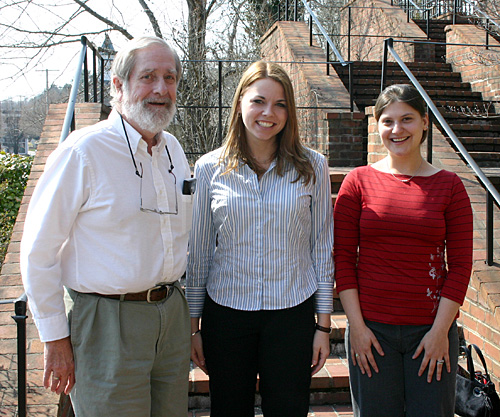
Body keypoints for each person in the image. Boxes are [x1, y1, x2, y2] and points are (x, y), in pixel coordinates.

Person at [20, 36, 194, 416]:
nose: (161, 89)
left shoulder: (174, 152)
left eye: (170, 78)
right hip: (105, 323)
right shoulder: (82, 152)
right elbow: (38, 252)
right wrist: (55, 338)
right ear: (118, 85)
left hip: (171, 317)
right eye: (148, 77)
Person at [186, 61, 334, 417]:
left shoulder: (313, 166)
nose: (269, 113)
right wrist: (194, 327)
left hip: (292, 313)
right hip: (227, 314)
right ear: (240, 104)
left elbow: (322, 246)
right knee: (229, 410)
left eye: (280, 104)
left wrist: (323, 326)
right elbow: (200, 251)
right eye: (259, 101)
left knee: (288, 410)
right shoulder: (210, 167)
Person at [334, 84, 473, 416]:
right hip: (371, 334)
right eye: (387, 121)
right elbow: (342, 259)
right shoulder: (357, 182)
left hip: (431, 335)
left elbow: (461, 266)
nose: (397, 130)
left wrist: (441, 331)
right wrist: (357, 328)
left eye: (407, 119)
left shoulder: (450, 187)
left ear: (425, 122)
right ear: (377, 125)